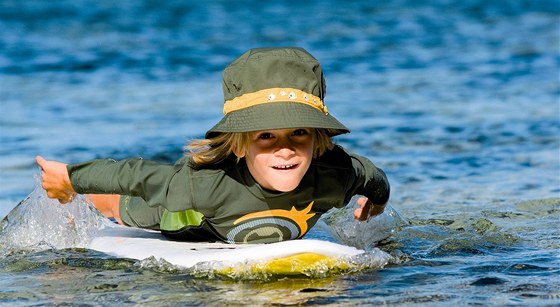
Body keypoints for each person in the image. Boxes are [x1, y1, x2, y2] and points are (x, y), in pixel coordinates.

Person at [36, 47, 390, 244]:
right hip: (187, 219)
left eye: (298, 133)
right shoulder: (203, 186)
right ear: (239, 144)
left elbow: (372, 176)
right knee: (126, 205)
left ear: (318, 139)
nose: (285, 149)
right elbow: (135, 176)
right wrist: (69, 178)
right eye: (266, 136)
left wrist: (377, 201)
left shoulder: (335, 174)